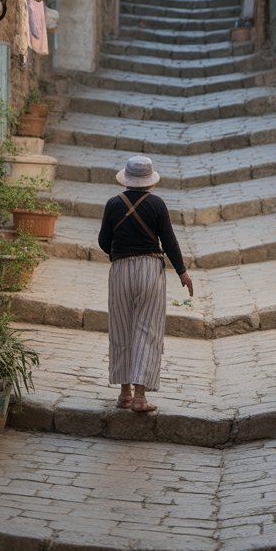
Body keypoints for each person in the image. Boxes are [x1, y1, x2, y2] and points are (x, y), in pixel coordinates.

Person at [98, 155, 194, 413]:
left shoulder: (113, 204)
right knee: (146, 330)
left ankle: (125, 393)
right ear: (150, 181)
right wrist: (182, 272)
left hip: (120, 270)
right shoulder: (157, 204)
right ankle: (141, 397)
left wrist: (120, 253)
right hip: (150, 270)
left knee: (121, 328)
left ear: (127, 179)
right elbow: (170, 241)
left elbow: (103, 241)